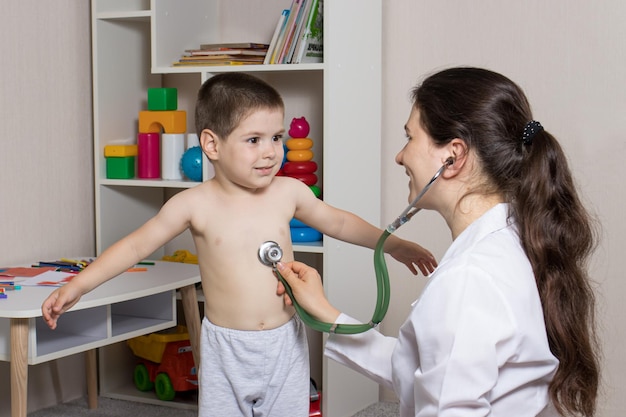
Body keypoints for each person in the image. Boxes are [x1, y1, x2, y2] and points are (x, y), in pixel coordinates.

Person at [41, 72, 437, 417]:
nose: (270, 151)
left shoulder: (288, 192)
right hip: (224, 348)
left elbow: (337, 222)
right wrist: (78, 286)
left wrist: (391, 245)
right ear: (212, 145)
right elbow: (134, 247)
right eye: (254, 139)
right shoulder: (194, 204)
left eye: (276, 137)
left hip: (285, 340)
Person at [276, 67, 600, 417]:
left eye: (410, 138)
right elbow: (420, 369)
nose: (400, 156)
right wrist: (326, 314)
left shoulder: (468, 279)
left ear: (453, 157)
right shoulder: (511, 240)